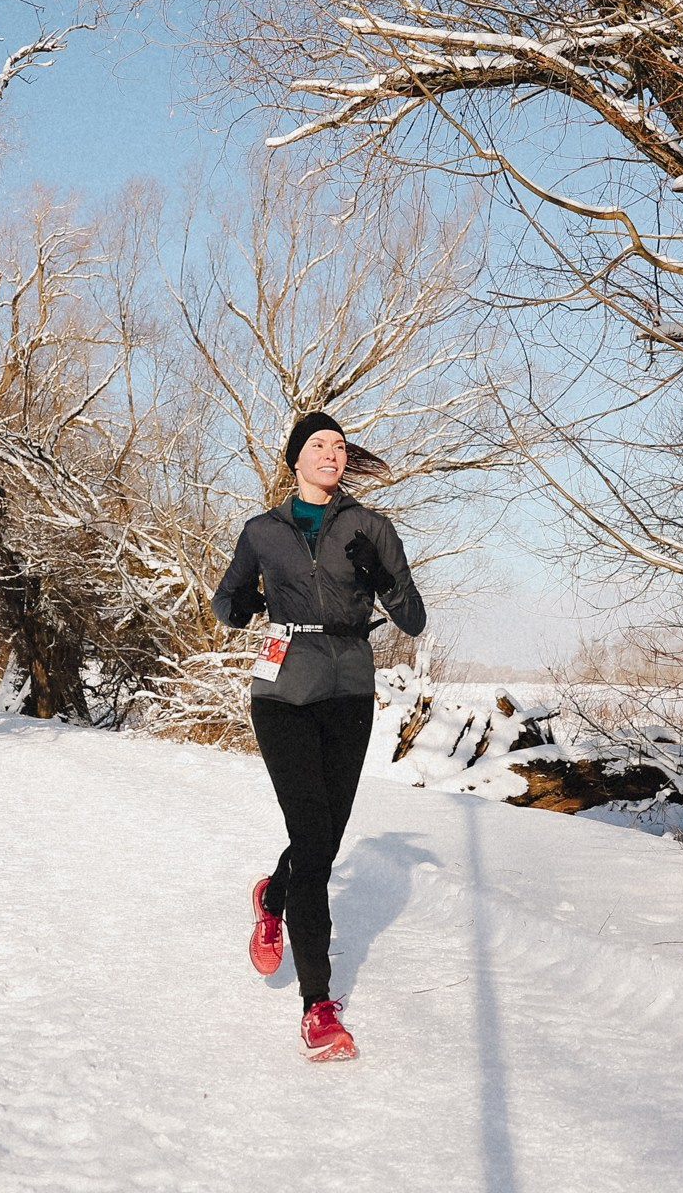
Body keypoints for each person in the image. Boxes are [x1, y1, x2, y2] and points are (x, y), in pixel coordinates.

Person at [212, 411, 425, 1061]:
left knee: (324, 839)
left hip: (349, 690)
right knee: (312, 838)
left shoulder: (370, 527)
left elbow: (412, 619)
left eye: (339, 445)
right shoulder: (263, 532)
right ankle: (318, 1009)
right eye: (319, 444)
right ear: (296, 459)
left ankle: (271, 896)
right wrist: (245, 603)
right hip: (282, 692)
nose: (332, 452)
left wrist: (383, 576)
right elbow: (224, 602)